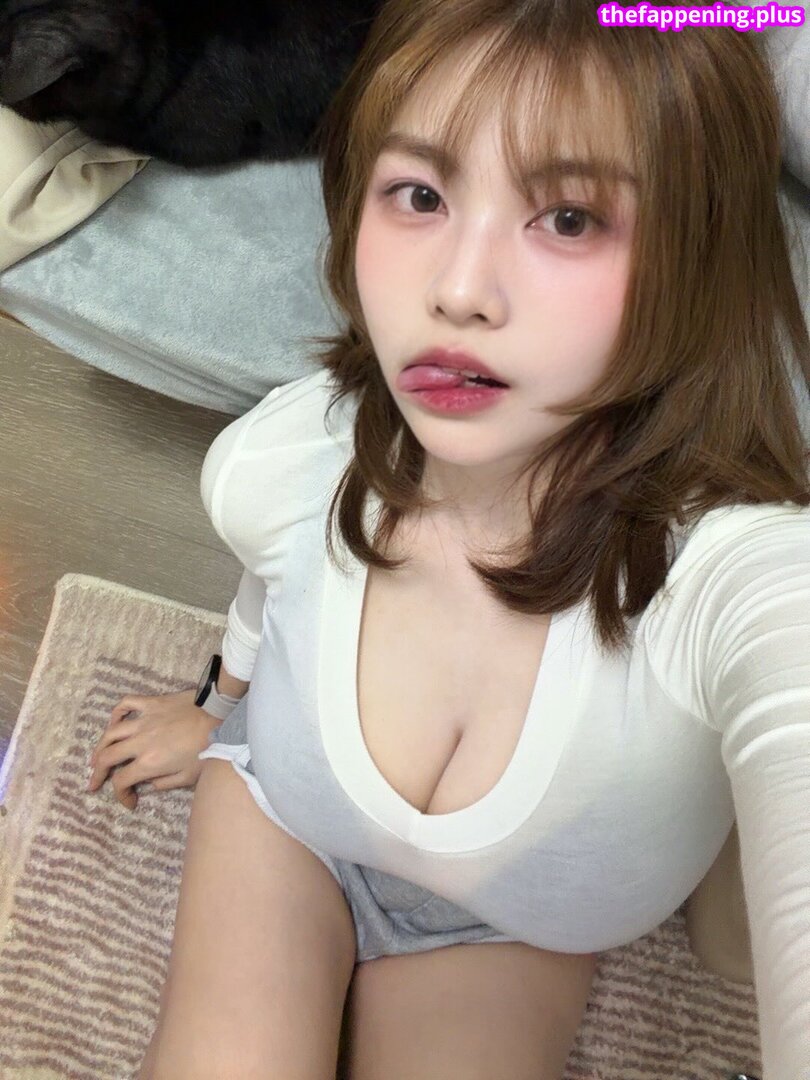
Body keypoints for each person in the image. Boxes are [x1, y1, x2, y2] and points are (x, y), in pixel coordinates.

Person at [87, 0, 810, 1076]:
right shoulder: (279, 459)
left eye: (570, 218)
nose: (457, 291)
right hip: (284, 815)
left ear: (697, 260)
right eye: (420, 195)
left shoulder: (737, 578)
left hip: (505, 929)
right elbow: (268, 591)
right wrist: (217, 711)